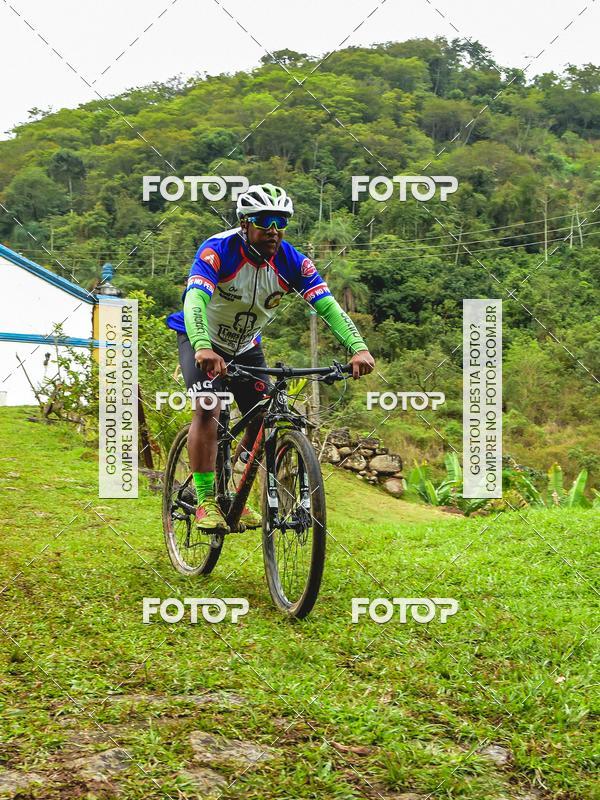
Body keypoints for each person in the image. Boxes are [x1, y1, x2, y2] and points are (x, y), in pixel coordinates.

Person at [166, 183, 375, 531]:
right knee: (208, 406)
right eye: (265, 221)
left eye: (282, 222)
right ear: (245, 223)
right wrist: (203, 345)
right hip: (201, 338)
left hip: (246, 346)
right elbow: (195, 301)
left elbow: (328, 307)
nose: (274, 230)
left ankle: (235, 486)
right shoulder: (217, 251)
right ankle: (205, 501)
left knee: (263, 415)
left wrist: (358, 347)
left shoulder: (293, 262)